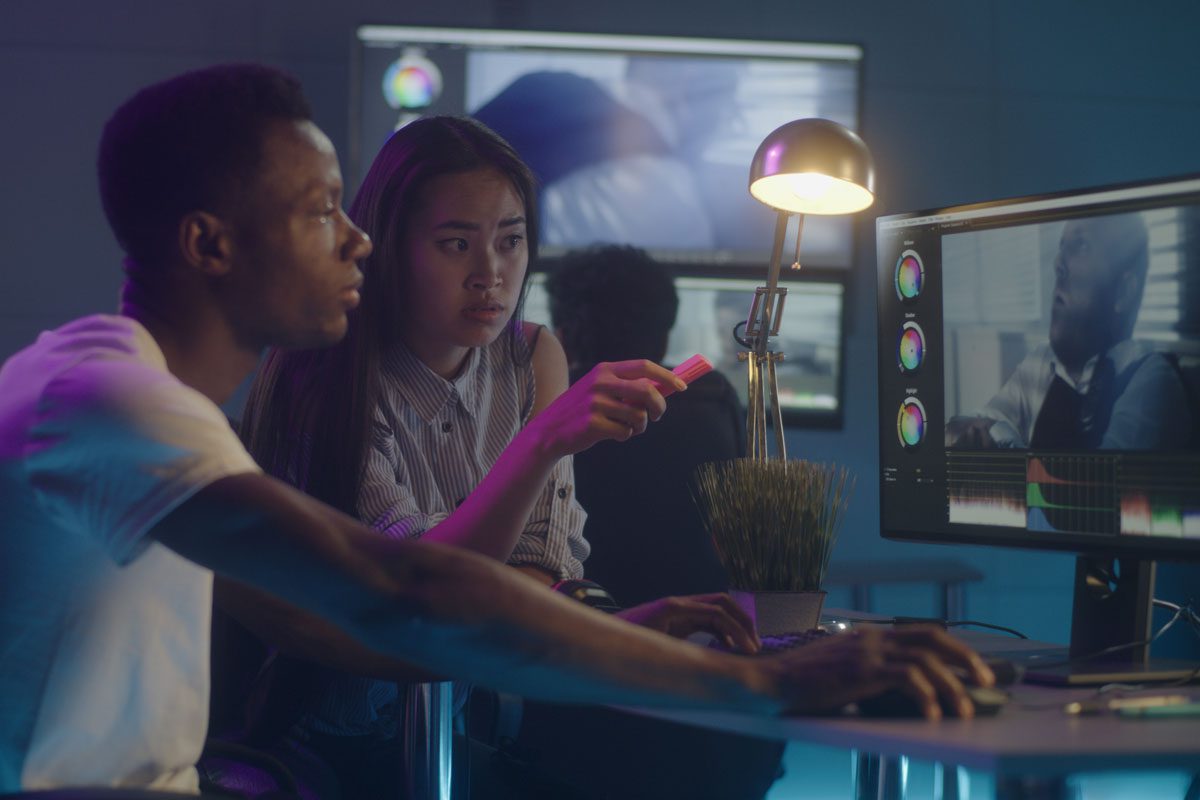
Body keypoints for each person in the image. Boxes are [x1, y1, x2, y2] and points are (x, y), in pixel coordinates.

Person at [0, 63, 992, 796]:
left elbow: (331, 628)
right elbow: (402, 590)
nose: (357, 239)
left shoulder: (150, 410)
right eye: (321, 211)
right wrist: (762, 684)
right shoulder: (103, 399)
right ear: (209, 243)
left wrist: (616, 626)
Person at [236, 116, 762, 798]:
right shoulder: (330, 375)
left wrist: (629, 627)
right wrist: (542, 442)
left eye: (511, 242)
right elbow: (423, 598)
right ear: (390, 246)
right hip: (333, 748)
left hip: (471, 730)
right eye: (456, 244)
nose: (490, 274)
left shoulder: (529, 356)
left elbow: (539, 570)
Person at [544, 244, 743, 606]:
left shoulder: (545, 412)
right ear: (665, 336)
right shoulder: (715, 398)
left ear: (562, 337)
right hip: (703, 623)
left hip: (576, 624)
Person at [945, 212, 1194, 450]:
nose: (1057, 264)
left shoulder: (1151, 380)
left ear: (1124, 291)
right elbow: (960, 427)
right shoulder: (1042, 361)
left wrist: (999, 435)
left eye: (1081, 246)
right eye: (1062, 246)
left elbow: (1096, 489)